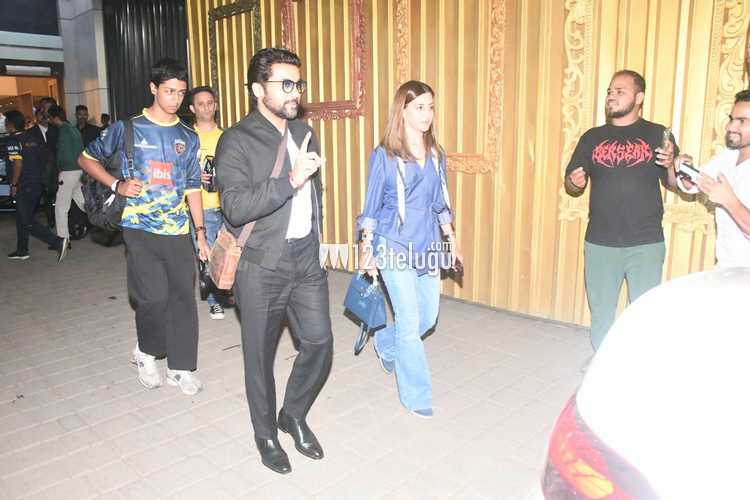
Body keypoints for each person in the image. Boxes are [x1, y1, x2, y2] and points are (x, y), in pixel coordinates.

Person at [215, 47, 332, 474]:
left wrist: (318, 237)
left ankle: (292, 414)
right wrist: (290, 179)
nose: (294, 91)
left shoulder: (304, 131)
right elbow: (235, 207)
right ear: (256, 89)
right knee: (259, 357)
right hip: (261, 264)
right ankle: (265, 434)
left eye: (297, 83)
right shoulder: (236, 140)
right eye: (285, 84)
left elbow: (313, 196)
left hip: (305, 257)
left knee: (319, 343)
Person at [78, 58, 209, 396]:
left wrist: (200, 232)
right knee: (152, 298)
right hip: (138, 226)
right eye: (169, 91)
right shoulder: (127, 128)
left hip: (177, 229)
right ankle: (147, 352)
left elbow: (192, 186)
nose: (175, 99)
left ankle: (180, 368)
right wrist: (116, 184)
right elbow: (86, 159)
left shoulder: (187, 135)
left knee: (183, 298)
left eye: (180, 93)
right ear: (153, 88)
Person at [357, 80, 463, 419]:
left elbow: (441, 203)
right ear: (402, 111)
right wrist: (366, 249)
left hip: (427, 243)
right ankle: (416, 395)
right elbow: (371, 206)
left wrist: (452, 241)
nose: (427, 114)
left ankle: (386, 343)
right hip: (393, 243)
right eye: (419, 107)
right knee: (409, 319)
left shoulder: (436, 154)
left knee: (427, 317)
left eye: (430, 107)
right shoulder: (385, 155)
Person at [564, 70, 677, 351]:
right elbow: (571, 184)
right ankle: (602, 367)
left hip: (646, 242)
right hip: (600, 241)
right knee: (602, 314)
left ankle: (635, 368)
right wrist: (575, 182)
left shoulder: (658, 134)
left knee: (643, 314)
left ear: (639, 98)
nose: (611, 96)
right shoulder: (592, 137)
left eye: (620, 91)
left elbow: (674, 183)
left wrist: (671, 165)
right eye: (609, 91)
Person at [675, 90, 750, 267]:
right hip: (726, 267)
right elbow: (694, 184)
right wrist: (684, 169)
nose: (730, 127)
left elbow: (726, 198)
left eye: (742, 121)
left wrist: (730, 201)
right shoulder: (729, 156)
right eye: (732, 119)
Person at [5, 109, 68, 262]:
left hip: (23, 184)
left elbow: (17, 164)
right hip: (36, 183)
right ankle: (22, 250)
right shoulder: (31, 138)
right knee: (21, 217)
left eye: (6, 122)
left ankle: (57, 242)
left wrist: (14, 184)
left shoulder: (13, 140)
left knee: (26, 220)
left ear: (11, 124)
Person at [188, 85, 225, 319]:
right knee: (207, 252)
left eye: (210, 103)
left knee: (228, 252)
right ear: (192, 108)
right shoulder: (186, 137)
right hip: (200, 206)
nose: (206, 107)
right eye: (200, 104)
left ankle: (225, 289)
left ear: (216, 106)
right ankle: (214, 300)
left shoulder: (226, 136)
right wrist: (194, 175)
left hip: (225, 203)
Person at [48, 105, 85, 245]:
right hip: (79, 170)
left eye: (50, 118)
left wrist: (59, 168)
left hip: (68, 172)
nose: (49, 120)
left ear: (55, 118)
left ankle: (63, 239)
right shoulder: (74, 129)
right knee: (82, 202)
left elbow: (62, 153)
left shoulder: (63, 130)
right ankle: (105, 222)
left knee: (61, 207)